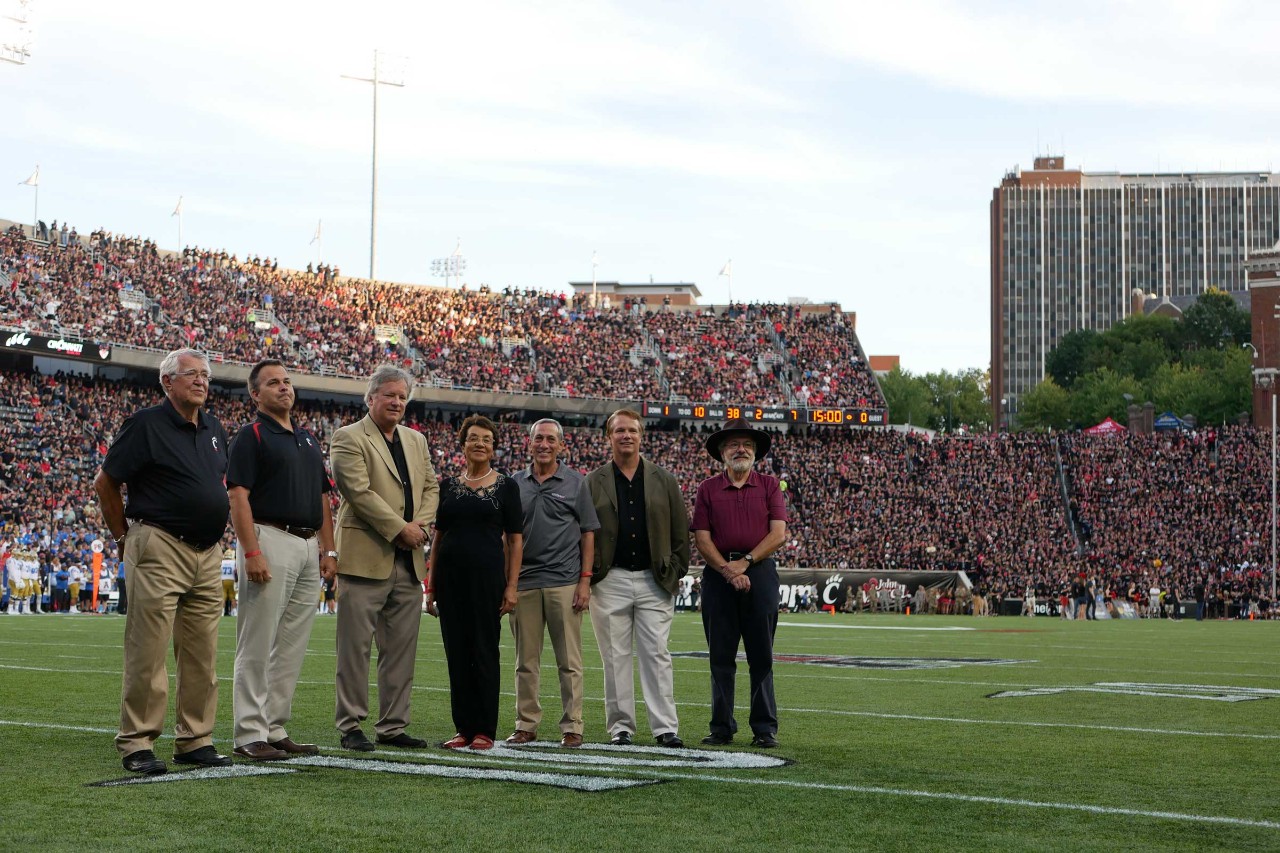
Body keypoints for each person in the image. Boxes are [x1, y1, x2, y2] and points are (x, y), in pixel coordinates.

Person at [94, 348, 233, 775]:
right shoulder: (146, 423)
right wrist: (122, 537)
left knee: (201, 653)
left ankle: (195, 738)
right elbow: (106, 482)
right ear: (167, 381)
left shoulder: (214, 428)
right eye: (190, 374)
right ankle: (137, 741)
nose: (201, 381)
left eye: (206, 375)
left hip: (207, 552)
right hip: (160, 543)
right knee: (147, 650)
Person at [227, 359, 339, 761]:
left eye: (287, 382)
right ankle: (248, 732)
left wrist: (329, 551)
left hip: (309, 545)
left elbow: (324, 499)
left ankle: (274, 726)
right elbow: (237, 496)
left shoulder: (308, 439)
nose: (284, 388)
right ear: (256, 394)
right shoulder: (250, 435)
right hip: (269, 536)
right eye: (273, 383)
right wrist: (251, 550)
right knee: (257, 642)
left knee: (291, 644)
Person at [330, 365, 440, 752]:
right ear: (371, 398)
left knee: (401, 649)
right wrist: (401, 529)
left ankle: (393, 725)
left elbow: (430, 486)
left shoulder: (416, 440)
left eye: (402, 396)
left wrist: (421, 526)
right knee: (355, 648)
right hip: (366, 557)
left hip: (408, 559)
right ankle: (350, 724)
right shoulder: (347, 437)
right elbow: (358, 493)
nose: (396, 402)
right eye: (389, 395)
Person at [584, 408, 690, 748]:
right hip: (609, 579)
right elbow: (583, 532)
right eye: (619, 431)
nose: (626, 435)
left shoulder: (664, 479)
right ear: (608, 437)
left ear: (641, 435)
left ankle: (665, 728)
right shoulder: (593, 480)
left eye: (631, 430)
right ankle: (621, 728)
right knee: (614, 658)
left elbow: (680, 534)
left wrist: (673, 572)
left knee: (656, 654)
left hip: (653, 578)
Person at [426, 415, 523, 750]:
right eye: (473, 438)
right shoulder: (448, 486)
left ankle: (484, 729)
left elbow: (514, 541)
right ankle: (463, 728)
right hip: (450, 581)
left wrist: (511, 586)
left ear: (493, 447)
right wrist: (431, 584)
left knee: (483, 650)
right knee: (456, 652)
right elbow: (438, 538)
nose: (480, 444)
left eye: (486, 439)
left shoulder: (507, 486)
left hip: (487, 580)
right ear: (462, 444)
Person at [691, 419, 787, 749]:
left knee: (762, 655)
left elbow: (778, 535)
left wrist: (744, 562)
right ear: (721, 452)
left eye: (747, 444)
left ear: (756, 452)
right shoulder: (707, 488)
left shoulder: (770, 485)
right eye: (733, 444)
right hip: (718, 575)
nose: (741, 449)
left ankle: (764, 728)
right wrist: (729, 571)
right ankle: (721, 727)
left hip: (759, 572)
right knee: (720, 655)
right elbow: (702, 539)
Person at [506, 419, 599, 748]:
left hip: (564, 581)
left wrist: (585, 581)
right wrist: (509, 584)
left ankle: (572, 725)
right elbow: (508, 538)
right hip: (526, 582)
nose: (544, 444)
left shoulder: (577, 483)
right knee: (525, 661)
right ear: (528, 444)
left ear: (562, 446)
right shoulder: (514, 482)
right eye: (538, 438)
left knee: (569, 661)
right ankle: (526, 724)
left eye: (550, 439)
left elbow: (588, 533)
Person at [220, 549, 237, 616]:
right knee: (232, 597)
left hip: (223, 580)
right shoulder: (234, 562)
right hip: (231, 580)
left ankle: (222, 611)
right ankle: (234, 611)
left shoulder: (222, 562)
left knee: (223, 597)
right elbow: (236, 571)